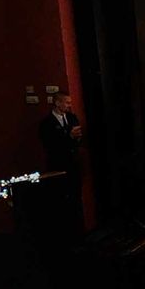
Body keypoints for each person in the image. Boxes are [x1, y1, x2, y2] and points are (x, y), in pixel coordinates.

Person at [38, 91, 84, 232]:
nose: (69, 106)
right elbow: (50, 144)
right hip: (57, 165)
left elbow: (78, 139)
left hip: (74, 164)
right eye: (66, 102)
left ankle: (79, 229)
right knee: (61, 198)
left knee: (76, 196)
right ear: (57, 103)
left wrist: (77, 138)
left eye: (70, 103)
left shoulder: (72, 117)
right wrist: (68, 136)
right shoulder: (46, 123)